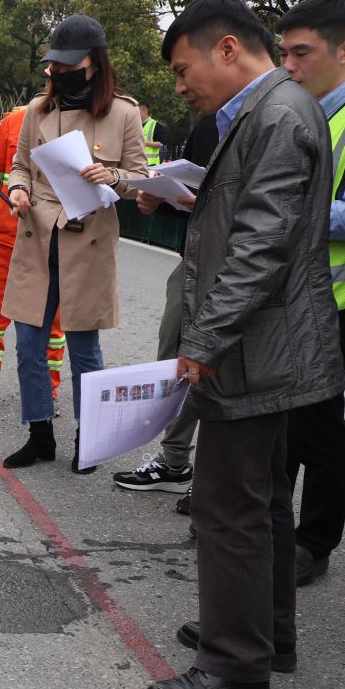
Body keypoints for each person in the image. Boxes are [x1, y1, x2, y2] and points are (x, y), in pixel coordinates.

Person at [141, 0, 344, 689]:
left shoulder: (278, 115)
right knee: (262, 500)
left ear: (226, 48)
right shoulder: (272, 110)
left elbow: (261, 245)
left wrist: (200, 343)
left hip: (254, 347)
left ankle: (234, 666)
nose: (179, 86)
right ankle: (265, 634)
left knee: (226, 505)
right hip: (263, 343)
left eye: (182, 68)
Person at [1, 14, 148, 472]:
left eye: (70, 65)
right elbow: (20, 166)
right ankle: (40, 432)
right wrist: (18, 190)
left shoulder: (123, 113)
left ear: (94, 63)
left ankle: (91, 438)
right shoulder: (37, 110)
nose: (61, 73)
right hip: (38, 235)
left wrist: (113, 176)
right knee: (28, 344)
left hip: (89, 240)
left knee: (84, 346)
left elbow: (140, 178)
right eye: (56, 65)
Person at [273, 0, 345, 586]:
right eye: (284, 53)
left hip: (331, 300)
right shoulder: (306, 110)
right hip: (291, 293)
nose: (288, 65)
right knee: (287, 416)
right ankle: (274, 525)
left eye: (301, 53)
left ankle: (314, 542)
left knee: (318, 422)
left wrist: (279, 206)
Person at [113, 113, 219, 503]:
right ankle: (175, 462)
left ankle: (218, 481)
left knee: (231, 374)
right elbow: (189, 192)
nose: (181, 88)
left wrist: (213, 203)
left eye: (186, 80)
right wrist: (159, 200)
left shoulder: (273, 117)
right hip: (194, 261)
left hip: (246, 268)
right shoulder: (209, 123)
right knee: (178, 359)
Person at [0, 105, 64, 414]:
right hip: (4, 241)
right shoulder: (14, 122)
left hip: (51, 243)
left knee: (51, 325)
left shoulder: (82, 124)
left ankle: (45, 390)